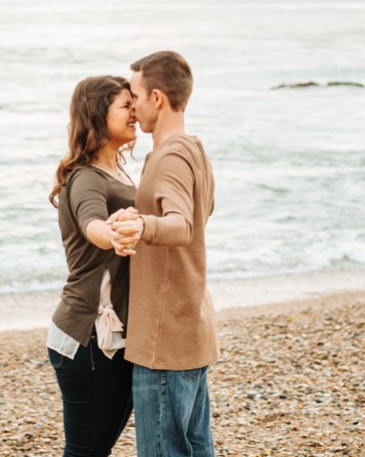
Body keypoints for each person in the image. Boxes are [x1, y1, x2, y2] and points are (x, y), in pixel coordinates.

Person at [111, 51, 217, 457]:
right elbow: (199, 217)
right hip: (189, 324)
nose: (132, 107)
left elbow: (182, 225)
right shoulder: (194, 150)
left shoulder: (170, 155)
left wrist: (142, 225)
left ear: (157, 97)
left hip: (164, 338)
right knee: (195, 448)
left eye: (135, 95)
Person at [48, 75, 140, 456]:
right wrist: (113, 236)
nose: (135, 113)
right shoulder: (86, 177)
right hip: (87, 337)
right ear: (98, 116)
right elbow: (92, 224)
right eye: (125, 106)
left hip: (106, 337)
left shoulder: (116, 171)